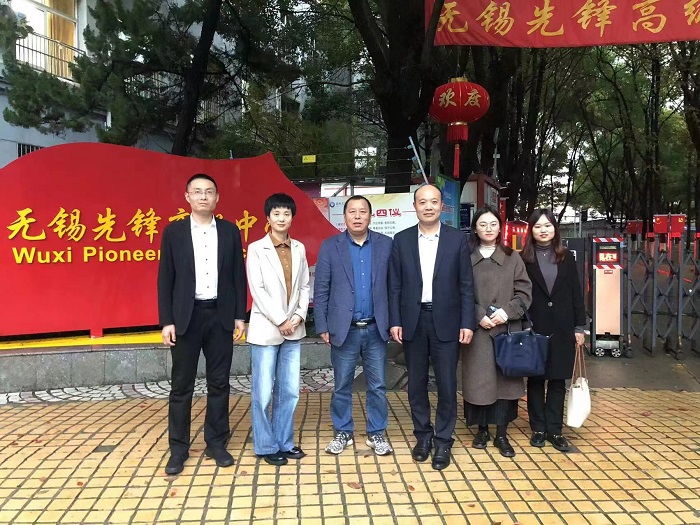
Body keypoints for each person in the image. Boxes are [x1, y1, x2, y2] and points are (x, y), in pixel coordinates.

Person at [157, 173, 247, 475]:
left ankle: (216, 443)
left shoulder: (230, 231)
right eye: (197, 192)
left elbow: (237, 276)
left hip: (220, 316)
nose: (203, 196)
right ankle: (178, 449)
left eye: (209, 192)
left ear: (217, 198)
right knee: (181, 386)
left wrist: (239, 315)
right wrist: (166, 321)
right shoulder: (174, 232)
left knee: (219, 383)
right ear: (187, 197)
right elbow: (165, 279)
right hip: (186, 317)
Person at [388, 184, 475, 470]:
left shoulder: (456, 240)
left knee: (447, 384)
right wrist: (395, 320)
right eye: (422, 202)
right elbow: (395, 285)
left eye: (433, 201)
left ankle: (443, 441)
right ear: (414, 206)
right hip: (413, 320)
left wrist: (467, 322)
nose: (428, 206)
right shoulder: (401, 240)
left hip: (447, 321)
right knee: (416, 383)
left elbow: (466, 285)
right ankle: (422, 437)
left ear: (441, 206)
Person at [314, 195, 394, 456]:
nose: (357, 216)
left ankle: (376, 432)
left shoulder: (385, 245)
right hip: (344, 328)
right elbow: (321, 289)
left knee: (378, 386)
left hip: (376, 328)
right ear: (344, 216)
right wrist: (322, 325)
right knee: (341, 385)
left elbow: (394, 288)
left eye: (362, 212)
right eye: (352, 212)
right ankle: (343, 431)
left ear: (370, 216)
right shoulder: (330, 247)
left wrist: (395, 322)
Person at [461, 206, 532, 458]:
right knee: (478, 382)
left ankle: (502, 433)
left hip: (507, 331)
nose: (488, 229)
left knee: (505, 383)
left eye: (493, 224)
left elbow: (524, 291)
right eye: (482, 224)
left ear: (500, 227)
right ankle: (481, 430)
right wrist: (478, 315)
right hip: (477, 331)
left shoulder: (513, 257)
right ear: (475, 228)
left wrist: (506, 312)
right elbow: (458, 291)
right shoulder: (465, 257)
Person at [246, 193, 310, 466]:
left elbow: (305, 286)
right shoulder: (256, 249)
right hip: (266, 329)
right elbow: (257, 290)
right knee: (263, 392)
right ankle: (265, 445)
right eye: (276, 214)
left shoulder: (299, 248)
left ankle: (284, 441)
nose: (281, 218)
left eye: (286, 213)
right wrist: (281, 319)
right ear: (268, 217)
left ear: (292, 217)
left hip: (294, 328)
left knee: (290, 390)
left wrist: (298, 316)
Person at [521, 209, 586, 453]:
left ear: (555, 229)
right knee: (536, 379)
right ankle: (538, 428)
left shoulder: (566, 257)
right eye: (538, 226)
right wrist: (523, 322)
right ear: (531, 230)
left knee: (558, 380)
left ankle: (555, 430)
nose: (543, 230)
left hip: (563, 326)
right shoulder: (523, 258)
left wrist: (579, 326)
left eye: (547, 225)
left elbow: (576, 292)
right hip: (534, 326)